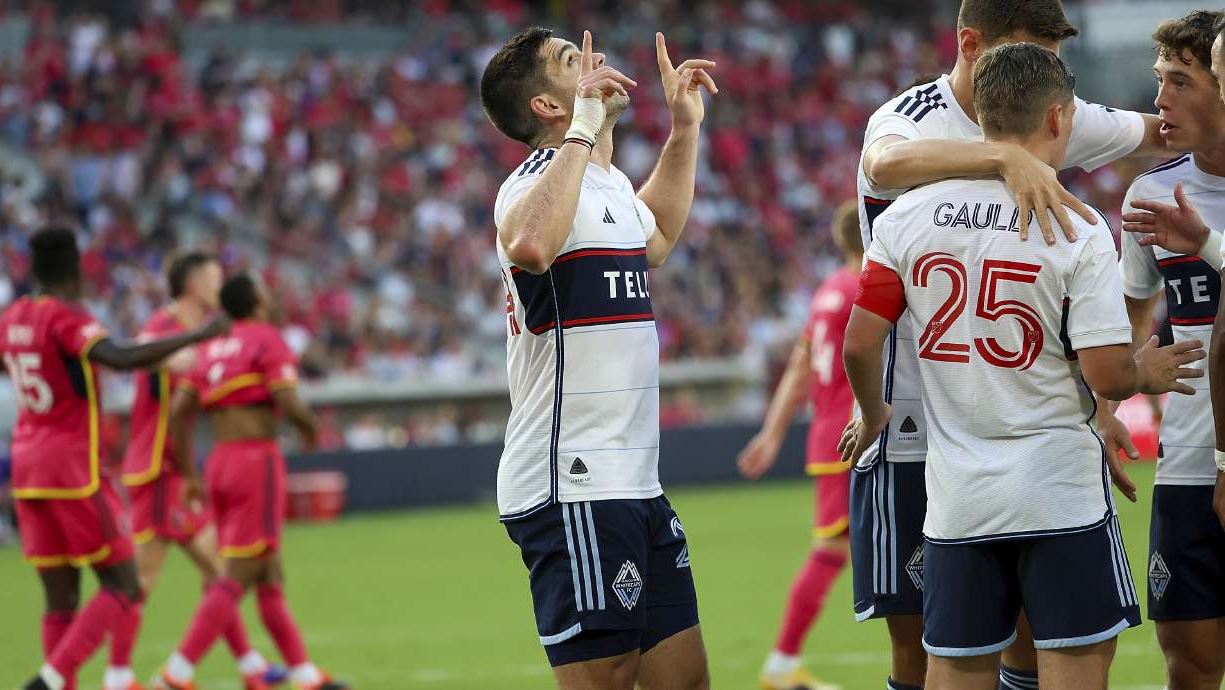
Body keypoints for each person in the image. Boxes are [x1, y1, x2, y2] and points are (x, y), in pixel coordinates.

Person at [841, 43, 1204, 690]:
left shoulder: (905, 219)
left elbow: (861, 343)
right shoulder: (1078, 227)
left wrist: (874, 413)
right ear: (1059, 119)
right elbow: (1109, 375)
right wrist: (1148, 372)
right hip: (1058, 495)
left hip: (958, 505)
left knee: (956, 672)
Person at [480, 26, 717, 689]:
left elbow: (661, 234)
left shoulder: (607, 186)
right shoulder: (530, 184)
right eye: (569, 61)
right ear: (548, 107)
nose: (596, 61)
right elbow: (528, 243)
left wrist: (684, 130)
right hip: (571, 482)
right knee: (605, 678)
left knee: (685, 679)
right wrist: (583, 132)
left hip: (633, 482)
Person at [2, 228, 227, 690]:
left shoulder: (11, 319)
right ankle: (49, 680)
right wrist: (200, 334)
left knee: (60, 598)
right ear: (76, 268)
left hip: (27, 469)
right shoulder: (65, 316)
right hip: (71, 469)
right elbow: (119, 357)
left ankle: (58, 681)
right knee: (123, 583)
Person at [150, 274, 346, 690]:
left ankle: (305, 673)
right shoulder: (266, 339)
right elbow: (288, 400)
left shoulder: (210, 347)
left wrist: (188, 473)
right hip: (255, 459)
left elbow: (179, 412)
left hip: (218, 462)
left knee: (269, 572)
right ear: (256, 300)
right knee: (238, 574)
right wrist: (311, 429)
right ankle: (177, 672)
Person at [1110, 12, 1225, 689]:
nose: (1160, 102)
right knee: (1188, 664)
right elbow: (1126, 328)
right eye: (1159, 82)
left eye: (1179, 82)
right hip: (1185, 464)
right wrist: (1106, 403)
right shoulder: (1151, 194)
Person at [109, 252, 285, 690]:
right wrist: (210, 352)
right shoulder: (161, 328)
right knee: (148, 575)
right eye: (212, 277)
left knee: (218, 572)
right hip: (155, 467)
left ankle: (250, 669)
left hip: (175, 470)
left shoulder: (211, 329)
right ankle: (119, 676)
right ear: (191, 283)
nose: (218, 285)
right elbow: (159, 360)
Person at [736, 200, 862, 690]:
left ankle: (784, 663)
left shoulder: (829, 290)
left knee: (845, 549)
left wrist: (772, 434)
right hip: (856, 435)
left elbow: (797, 367)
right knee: (836, 550)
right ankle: (782, 663)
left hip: (828, 434)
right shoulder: (862, 290)